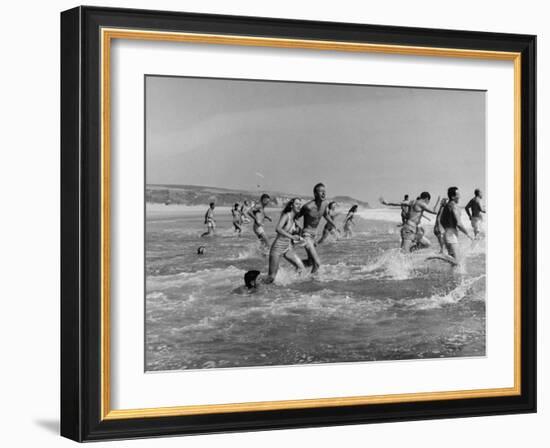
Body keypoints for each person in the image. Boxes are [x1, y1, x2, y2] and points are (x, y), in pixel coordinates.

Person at [296, 183, 336, 273]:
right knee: (317, 263)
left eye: (324, 192)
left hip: (315, 236)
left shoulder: (325, 204)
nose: (323, 194)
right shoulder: (308, 207)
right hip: (306, 236)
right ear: (315, 193)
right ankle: (311, 282)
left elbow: (325, 215)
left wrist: (333, 224)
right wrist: (299, 230)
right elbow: (296, 218)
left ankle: (296, 266)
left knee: (310, 262)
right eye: (321, 192)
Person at [266, 198, 306, 282]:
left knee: (301, 268)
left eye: (300, 204)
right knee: (271, 277)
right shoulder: (286, 215)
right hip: (277, 248)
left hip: (287, 248)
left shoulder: (295, 219)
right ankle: (254, 287)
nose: (299, 206)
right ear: (291, 205)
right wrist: (291, 237)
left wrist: (300, 230)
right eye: (297, 204)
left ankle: (292, 289)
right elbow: (278, 228)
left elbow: (296, 236)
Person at [438, 186, 473, 263]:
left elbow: (441, 220)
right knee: (457, 261)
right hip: (451, 235)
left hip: (447, 233)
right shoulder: (454, 206)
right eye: (458, 194)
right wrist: (468, 234)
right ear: (453, 196)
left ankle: (452, 275)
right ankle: (439, 256)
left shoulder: (447, 205)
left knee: (454, 262)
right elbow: (459, 224)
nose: (460, 196)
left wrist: (447, 230)